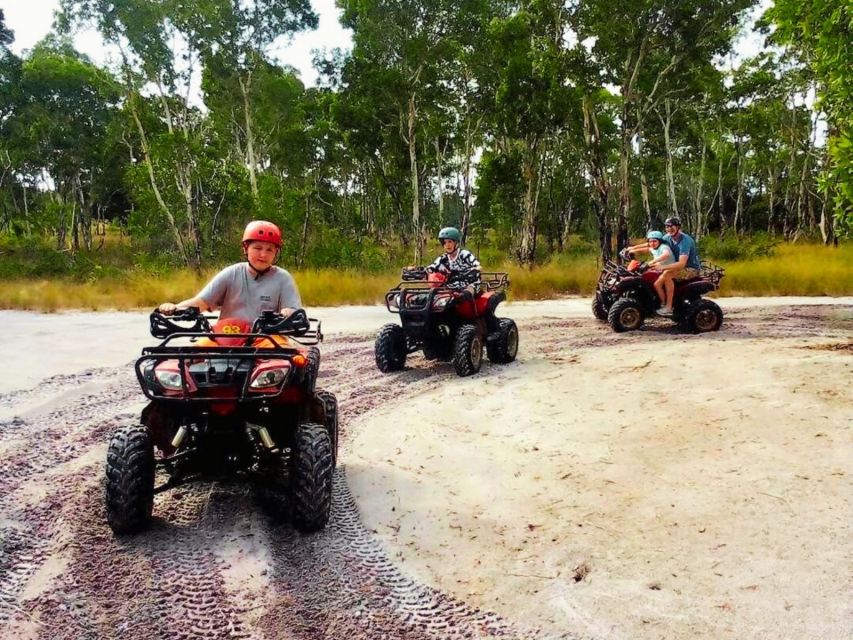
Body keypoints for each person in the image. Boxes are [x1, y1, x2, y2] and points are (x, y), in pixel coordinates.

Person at [158, 220, 302, 320]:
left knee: (282, 364)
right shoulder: (231, 273)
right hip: (228, 337)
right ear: (246, 249)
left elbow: (293, 312)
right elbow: (202, 303)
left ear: (276, 253)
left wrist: (289, 313)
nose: (263, 255)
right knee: (192, 358)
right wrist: (174, 307)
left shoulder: (283, 278)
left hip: (268, 341)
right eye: (257, 248)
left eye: (269, 250)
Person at [656, 216, 701, 316]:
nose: (669, 229)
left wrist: (662, 267)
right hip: (676, 267)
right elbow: (653, 244)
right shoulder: (667, 237)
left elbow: (681, 263)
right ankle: (659, 302)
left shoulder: (685, 241)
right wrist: (633, 249)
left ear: (678, 227)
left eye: (672, 226)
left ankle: (668, 307)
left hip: (690, 268)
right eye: (667, 226)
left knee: (667, 274)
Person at [623, 230, 676, 305]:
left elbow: (666, 254)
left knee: (655, 283)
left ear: (659, 241)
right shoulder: (654, 247)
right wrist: (631, 250)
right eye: (650, 241)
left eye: (654, 241)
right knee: (638, 267)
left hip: (668, 268)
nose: (652, 243)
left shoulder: (664, 247)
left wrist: (652, 262)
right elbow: (645, 248)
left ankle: (663, 303)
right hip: (659, 266)